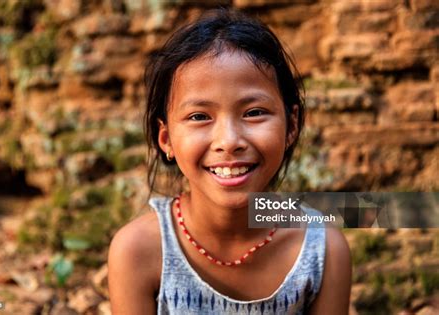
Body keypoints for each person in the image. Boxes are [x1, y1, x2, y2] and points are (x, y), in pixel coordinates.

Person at [108, 8, 351, 314]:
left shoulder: (323, 249)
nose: (229, 141)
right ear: (166, 138)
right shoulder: (138, 251)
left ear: (291, 126)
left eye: (253, 112)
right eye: (199, 117)